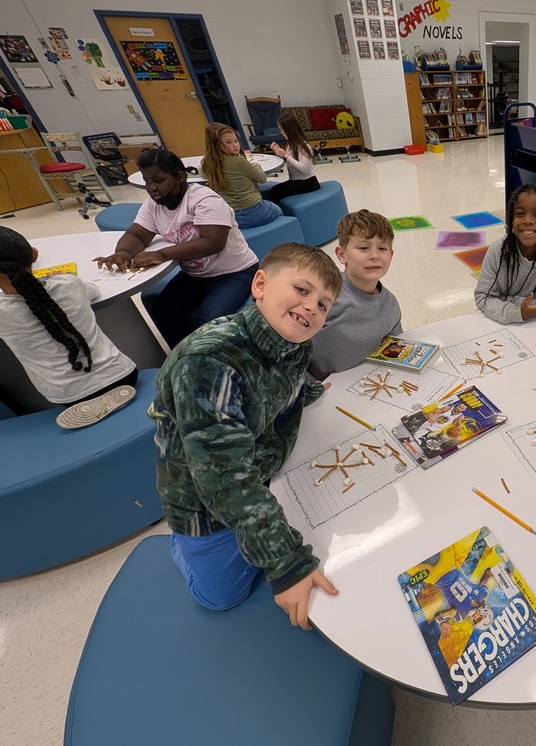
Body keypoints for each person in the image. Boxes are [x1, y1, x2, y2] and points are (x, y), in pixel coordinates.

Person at [149, 242, 343, 629]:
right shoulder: (210, 361)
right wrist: (287, 563)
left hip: (259, 473)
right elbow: (223, 480)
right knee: (222, 598)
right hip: (204, 504)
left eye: (323, 304)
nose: (311, 308)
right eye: (302, 290)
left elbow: (276, 387)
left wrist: (308, 392)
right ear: (259, 284)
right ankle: (180, 546)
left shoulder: (293, 342)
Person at [94, 148, 260, 349]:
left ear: (180, 177)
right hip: (195, 275)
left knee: (208, 321)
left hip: (235, 272)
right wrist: (123, 252)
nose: (152, 188)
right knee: (162, 312)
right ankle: (185, 357)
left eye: (159, 181)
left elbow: (213, 242)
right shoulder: (154, 204)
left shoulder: (204, 199)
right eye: (147, 182)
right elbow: (138, 234)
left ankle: (210, 359)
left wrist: (161, 254)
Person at [0, 227, 137, 417]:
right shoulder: (69, 284)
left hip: (72, 397)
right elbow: (94, 291)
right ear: (34, 254)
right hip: (123, 375)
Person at [307, 209, 402, 381]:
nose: (374, 256)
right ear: (342, 255)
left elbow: (397, 348)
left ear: (391, 255)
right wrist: (310, 388)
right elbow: (289, 348)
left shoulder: (391, 304)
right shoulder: (325, 298)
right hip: (320, 390)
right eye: (363, 248)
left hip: (371, 384)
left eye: (382, 248)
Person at [474, 184, 536, 324]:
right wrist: (518, 312)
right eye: (519, 214)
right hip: (498, 323)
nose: (528, 221)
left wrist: (505, 300)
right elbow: (483, 298)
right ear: (511, 219)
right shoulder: (497, 251)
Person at [201, 122, 283, 229]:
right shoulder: (238, 161)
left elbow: (203, 174)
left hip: (234, 216)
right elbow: (262, 179)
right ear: (217, 145)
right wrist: (257, 166)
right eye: (228, 142)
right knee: (278, 209)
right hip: (255, 211)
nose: (235, 145)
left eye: (236, 141)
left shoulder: (208, 163)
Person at [267, 111, 320, 204]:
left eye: (282, 130)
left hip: (308, 182)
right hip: (296, 180)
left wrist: (286, 155)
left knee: (277, 193)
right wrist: (279, 152)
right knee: (274, 190)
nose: (281, 132)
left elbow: (303, 168)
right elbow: (291, 162)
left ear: (288, 130)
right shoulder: (290, 144)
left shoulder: (304, 146)